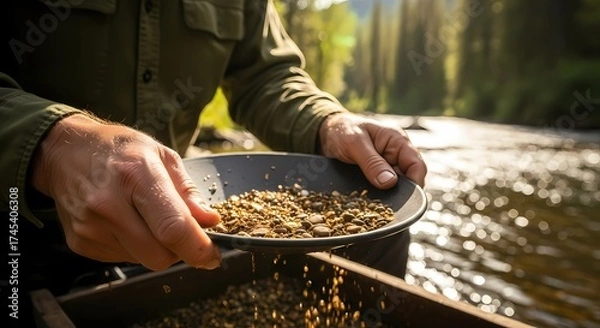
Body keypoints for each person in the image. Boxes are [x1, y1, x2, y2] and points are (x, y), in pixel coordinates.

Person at [1, 0, 426, 296]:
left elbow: (264, 75)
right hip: (22, 228)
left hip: (174, 223)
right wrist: (50, 146)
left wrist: (328, 122)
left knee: (388, 234)